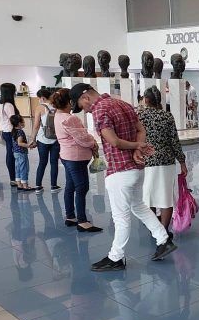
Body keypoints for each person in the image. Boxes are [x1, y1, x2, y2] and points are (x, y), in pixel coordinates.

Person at [70, 83, 175, 271]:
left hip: (119, 171)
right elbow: (141, 130)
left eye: (82, 106)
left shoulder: (99, 109)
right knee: (139, 206)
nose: (84, 110)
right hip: (137, 169)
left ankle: (116, 258)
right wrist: (138, 147)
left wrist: (137, 147)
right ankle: (163, 239)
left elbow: (114, 141)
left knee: (121, 217)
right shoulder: (122, 103)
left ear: (85, 97)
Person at [138, 86, 188, 235]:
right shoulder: (167, 116)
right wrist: (182, 162)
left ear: (146, 100)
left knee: (149, 198)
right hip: (167, 162)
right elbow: (175, 142)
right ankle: (164, 230)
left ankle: (156, 230)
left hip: (147, 162)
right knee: (165, 197)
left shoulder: (140, 116)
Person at [51, 88, 101, 233]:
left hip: (67, 156)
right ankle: (83, 221)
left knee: (70, 186)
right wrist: (93, 142)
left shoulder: (58, 115)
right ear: (70, 101)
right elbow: (83, 138)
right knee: (82, 187)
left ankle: (70, 216)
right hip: (77, 157)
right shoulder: (70, 118)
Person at [30, 88, 61, 194]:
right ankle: (54, 186)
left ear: (42, 98)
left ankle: (38, 186)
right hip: (55, 139)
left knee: (42, 162)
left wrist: (32, 139)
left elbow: (36, 126)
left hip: (42, 139)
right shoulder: (57, 106)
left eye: (39, 98)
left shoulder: (40, 107)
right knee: (54, 163)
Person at [0, 83, 20, 185]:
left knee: (9, 153)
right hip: (10, 131)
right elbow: (13, 119)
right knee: (11, 154)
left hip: (5, 131)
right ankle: (13, 178)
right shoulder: (9, 105)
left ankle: (13, 177)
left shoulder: (3, 104)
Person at [10, 114, 33, 191]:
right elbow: (20, 143)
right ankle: (25, 185)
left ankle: (19, 184)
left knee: (18, 168)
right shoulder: (20, 132)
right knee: (24, 168)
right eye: (23, 121)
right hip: (21, 153)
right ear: (19, 123)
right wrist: (28, 145)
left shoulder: (13, 131)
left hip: (16, 153)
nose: (24, 123)